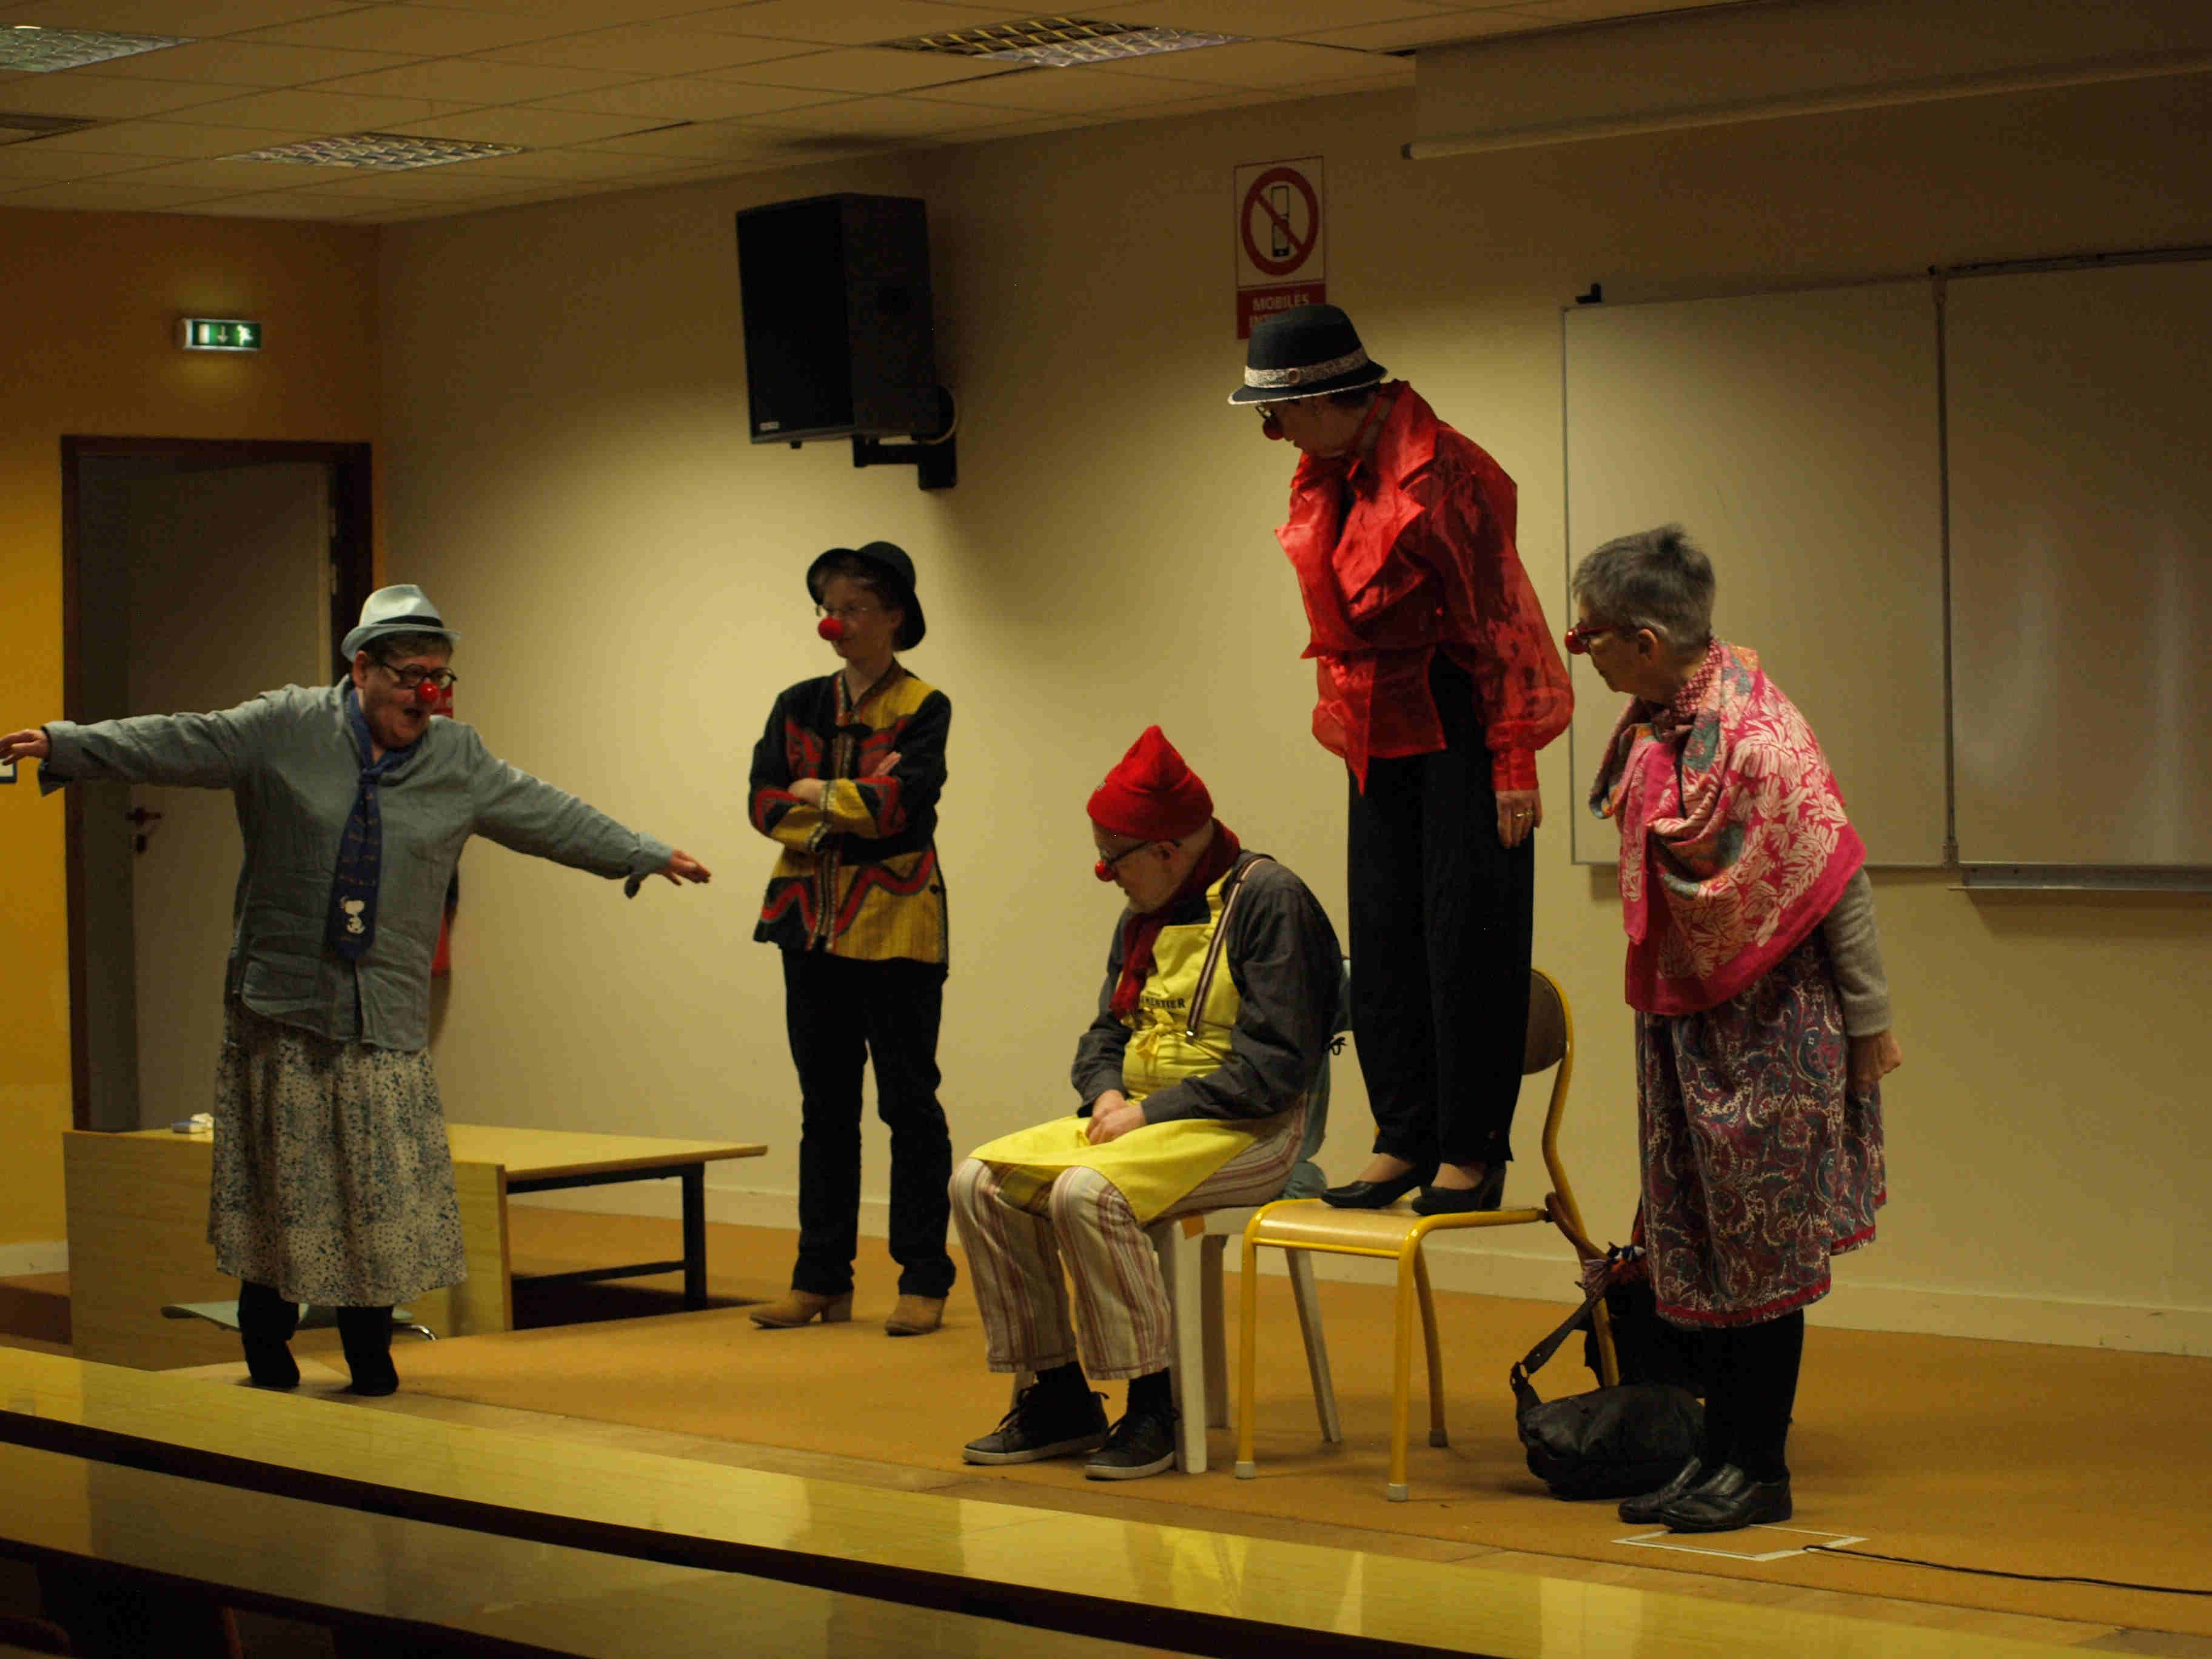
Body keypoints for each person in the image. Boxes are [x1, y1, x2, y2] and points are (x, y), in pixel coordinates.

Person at [1, 584, 711, 1396]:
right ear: (362, 668)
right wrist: (59, 744)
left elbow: (545, 811)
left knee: (377, 1195)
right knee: (282, 1189)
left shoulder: (458, 758)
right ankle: (267, 1354)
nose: (428, 695)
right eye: (412, 676)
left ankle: (371, 1360)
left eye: (442, 678)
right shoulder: (284, 728)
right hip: (285, 1005)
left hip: (385, 1011)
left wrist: (642, 853)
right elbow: (176, 741)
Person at [1570, 525, 1900, 1533]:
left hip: (1769, 1026)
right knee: (1695, 1249)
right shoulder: (1657, 723)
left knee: (1761, 1257)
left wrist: (1869, 1024)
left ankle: (1759, 1467)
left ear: (1642, 638)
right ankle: (1711, 1454)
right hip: (1684, 1022)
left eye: (1591, 635)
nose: (1581, 652)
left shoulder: (1756, 735)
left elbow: (1835, 871)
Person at [1230, 304, 1571, 1215]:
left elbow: (1503, 625)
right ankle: (1404, 1134)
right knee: (1383, 937)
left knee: (1470, 938)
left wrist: (1514, 763)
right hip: (1381, 723)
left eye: (1281, 412)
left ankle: (1470, 1148)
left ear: (1338, 397)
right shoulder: (1327, 470)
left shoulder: (1450, 472)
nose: (1274, 433)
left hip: (1464, 717)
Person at [951, 728, 1340, 1480]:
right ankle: (1058, 1393)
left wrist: (1149, 1114)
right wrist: (1104, 1091)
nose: (1105, 874)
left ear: (1166, 850)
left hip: (1248, 1131)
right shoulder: (1146, 911)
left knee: (1088, 1195)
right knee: (978, 1182)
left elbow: (1275, 1069)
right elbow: (1104, 1033)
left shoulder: (1269, 901)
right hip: (1144, 1122)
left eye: (1114, 857)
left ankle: (1155, 1404)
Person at [746, 541, 956, 1337]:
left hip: (900, 923)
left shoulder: (925, 705)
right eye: (829, 606)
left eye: (856, 607)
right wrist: (845, 801)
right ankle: (820, 1278)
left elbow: (905, 807)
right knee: (824, 1107)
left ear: (895, 615)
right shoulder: (796, 702)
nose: (837, 622)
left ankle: (924, 1276)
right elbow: (763, 804)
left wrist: (823, 797)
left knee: (909, 1104)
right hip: (808, 923)